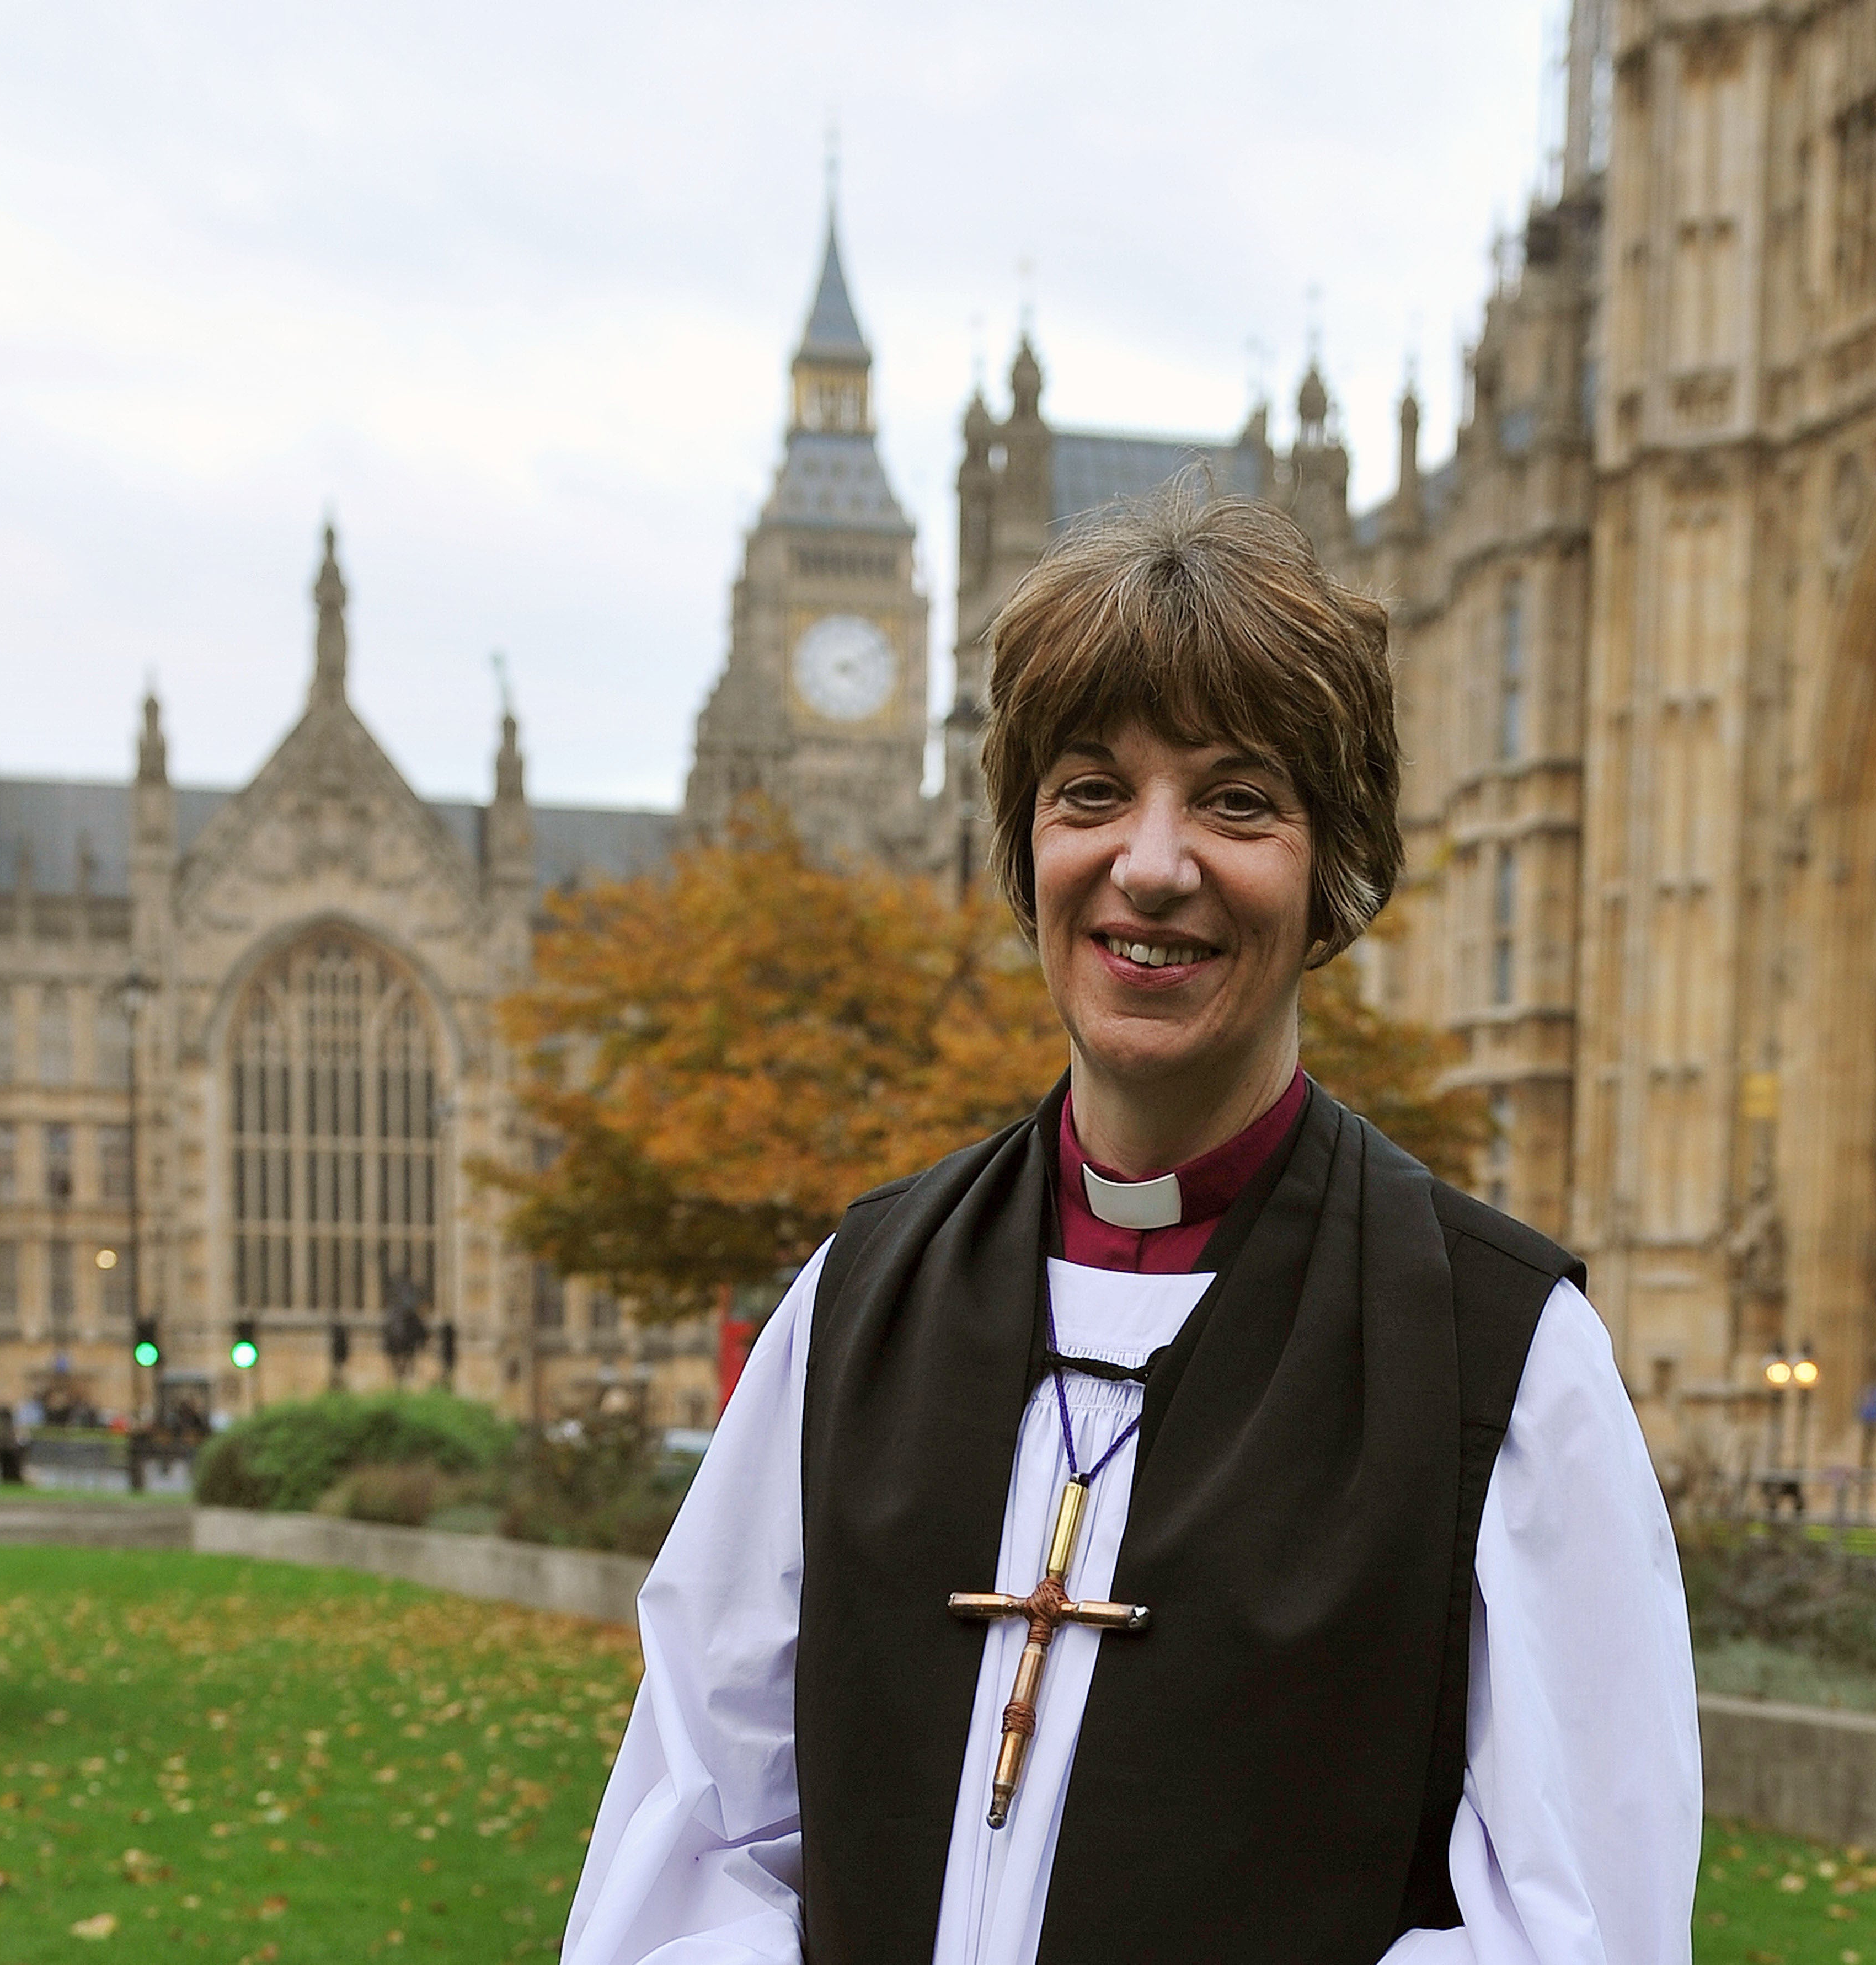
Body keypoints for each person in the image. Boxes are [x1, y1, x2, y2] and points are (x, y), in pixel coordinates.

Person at [565, 489, 1699, 1964]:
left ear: (1331, 869)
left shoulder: (1501, 1357)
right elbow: (698, 1832)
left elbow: (1574, 1926)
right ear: (1025, 845)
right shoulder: (858, 1300)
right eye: (1089, 792)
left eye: (1236, 800)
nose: (1149, 864)